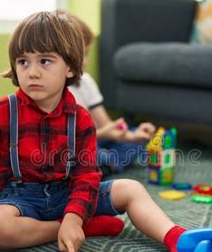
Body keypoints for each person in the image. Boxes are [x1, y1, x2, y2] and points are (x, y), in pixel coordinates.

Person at [0, 11, 189, 252]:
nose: (32, 72)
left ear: (70, 67)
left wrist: (73, 213)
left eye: (45, 61)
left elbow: (86, 176)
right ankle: (78, 227)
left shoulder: (80, 119)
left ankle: (175, 237)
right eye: (23, 61)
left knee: (131, 188)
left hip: (66, 194)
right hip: (17, 201)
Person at [66, 12, 156, 177]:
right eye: (81, 54)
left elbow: (107, 124)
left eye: (86, 54)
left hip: (96, 139)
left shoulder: (85, 82)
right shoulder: (55, 91)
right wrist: (103, 134)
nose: (86, 61)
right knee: (80, 151)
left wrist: (130, 135)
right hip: (74, 144)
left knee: (135, 140)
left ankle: (104, 164)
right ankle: (105, 163)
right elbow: (66, 138)